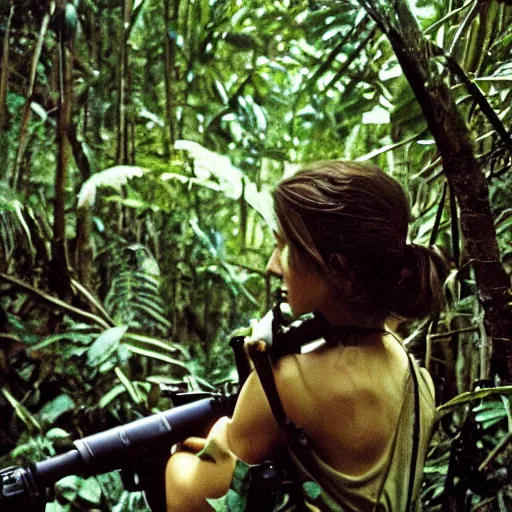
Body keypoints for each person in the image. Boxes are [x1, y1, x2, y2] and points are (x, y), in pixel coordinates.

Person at [165, 160, 442, 511]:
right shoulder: (418, 379)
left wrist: (180, 456)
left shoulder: (286, 382)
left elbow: (192, 500)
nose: (272, 265)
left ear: (338, 271)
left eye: (286, 249)